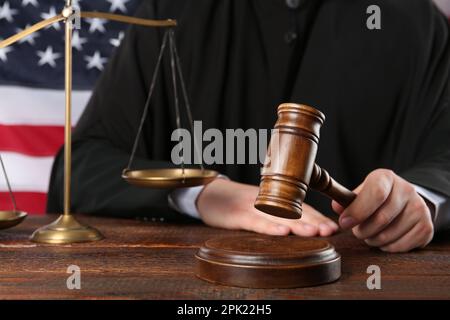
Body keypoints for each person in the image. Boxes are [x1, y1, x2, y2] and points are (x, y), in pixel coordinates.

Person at [48, 0, 450, 253]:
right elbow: (81, 165)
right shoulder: (169, 12)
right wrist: (203, 193)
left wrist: (421, 197)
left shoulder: (411, 21)